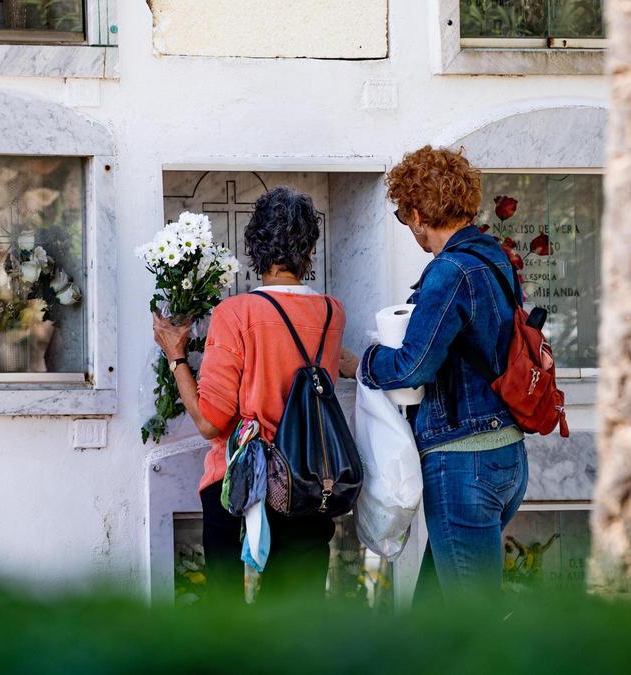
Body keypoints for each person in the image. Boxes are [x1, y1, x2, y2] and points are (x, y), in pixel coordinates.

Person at [152, 186, 353, 603]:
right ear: (308, 251)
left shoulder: (236, 313)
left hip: (241, 490)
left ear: (255, 249)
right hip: (310, 485)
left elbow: (212, 421)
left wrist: (176, 357)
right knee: (296, 621)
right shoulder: (332, 313)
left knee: (230, 628)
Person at [358, 146, 528, 595]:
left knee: (471, 620)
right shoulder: (494, 258)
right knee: (434, 613)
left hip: (463, 462)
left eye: (404, 216)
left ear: (417, 214)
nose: (408, 226)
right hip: (506, 455)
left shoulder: (449, 271)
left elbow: (413, 367)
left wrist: (365, 363)